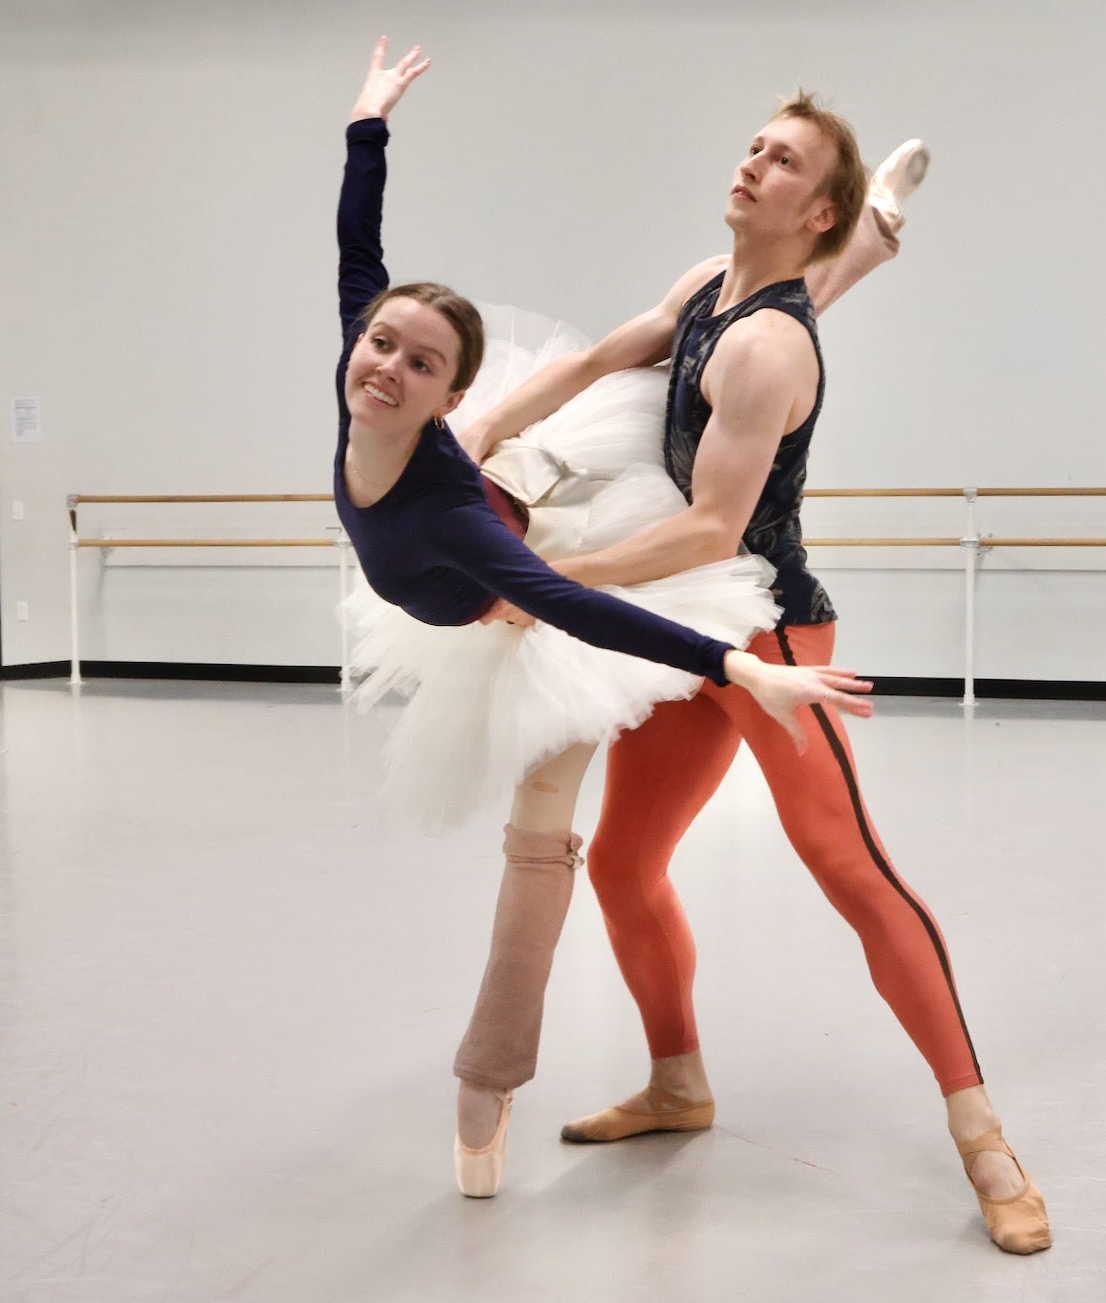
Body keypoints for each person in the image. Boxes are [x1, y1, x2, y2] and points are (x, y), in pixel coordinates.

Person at [459, 91, 1053, 1254]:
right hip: (687, 620)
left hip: (771, 633)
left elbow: (715, 530)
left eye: (780, 161)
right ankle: (678, 1080)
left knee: (849, 863)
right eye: (751, 146)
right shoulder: (703, 290)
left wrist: (556, 575)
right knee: (628, 865)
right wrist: (474, 439)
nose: (750, 163)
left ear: (815, 208)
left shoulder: (774, 342)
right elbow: (593, 359)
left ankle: (983, 1133)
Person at [326, 39, 873, 1198]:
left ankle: (487, 1080)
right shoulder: (371, 370)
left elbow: (573, 604)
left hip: (533, 579)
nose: (386, 369)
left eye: (420, 363)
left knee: (540, 840)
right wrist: (368, 123)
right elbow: (357, 248)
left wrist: (737, 662)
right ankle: (861, 249)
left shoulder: (467, 528)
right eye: (381, 344)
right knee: (673, 349)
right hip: (517, 477)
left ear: (447, 392)